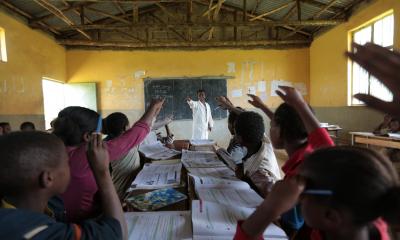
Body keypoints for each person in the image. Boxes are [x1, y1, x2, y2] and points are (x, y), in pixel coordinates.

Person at [234, 146, 399, 240]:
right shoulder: (367, 216)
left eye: (302, 193)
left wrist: (268, 209)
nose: (297, 198)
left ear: (330, 216)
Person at [0, 131, 127, 240]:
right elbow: (118, 234)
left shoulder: (52, 204)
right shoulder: (34, 231)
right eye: (67, 162)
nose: (70, 166)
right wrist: (102, 172)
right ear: (48, 178)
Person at [53, 99, 164, 222]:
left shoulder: (52, 152)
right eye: (98, 134)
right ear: (88, 136)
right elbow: (131, 137)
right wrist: (152, 108)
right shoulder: (85, 154)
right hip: (83, 225)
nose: (101, 138)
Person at [234, 111, 281, 197]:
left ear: (239, 138)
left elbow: (267, 197)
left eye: (235, 134)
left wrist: (241, 176)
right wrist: (230, 107)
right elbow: (252, 122)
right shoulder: (263, 140)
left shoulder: (259, 172)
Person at [103, 112, 141, 200]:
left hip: (112, 194)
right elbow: (148, 126)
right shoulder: (129, 143)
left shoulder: (103, 145)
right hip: (125, 196)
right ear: (125, 128)